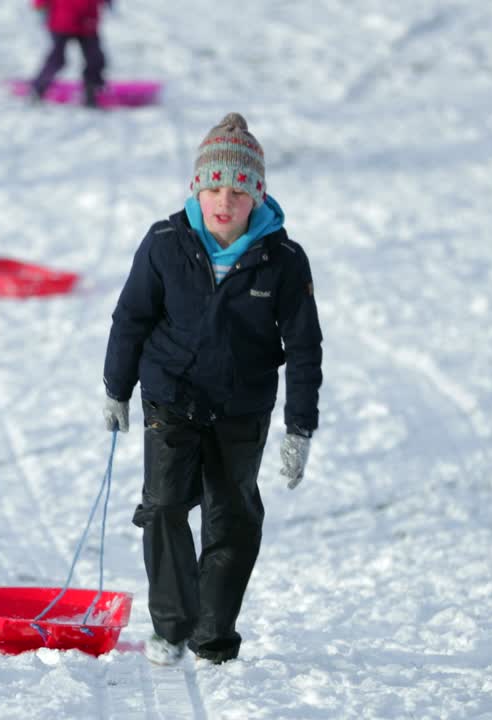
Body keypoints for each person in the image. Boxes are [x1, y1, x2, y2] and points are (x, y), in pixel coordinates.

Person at [102, 113, 324, 665]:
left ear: (258, 195)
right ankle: (172, 627)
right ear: (196, 187)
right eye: (214, 186)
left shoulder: (284, 261)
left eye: (239, 189)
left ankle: (213, 636)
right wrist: (116, 387)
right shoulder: (163, 243)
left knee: (233, 517)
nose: (224, 200)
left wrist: (300, 428)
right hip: (171, 396)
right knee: (164, 505)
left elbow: (303, 349)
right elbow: (131, 317)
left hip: (240, 407)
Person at [29, 0, 110, 107]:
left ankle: (92, 93)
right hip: (62, 21)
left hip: (87, 22)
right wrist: (39, 5)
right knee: (57, 59)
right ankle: (37, 90)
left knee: (95, 60)